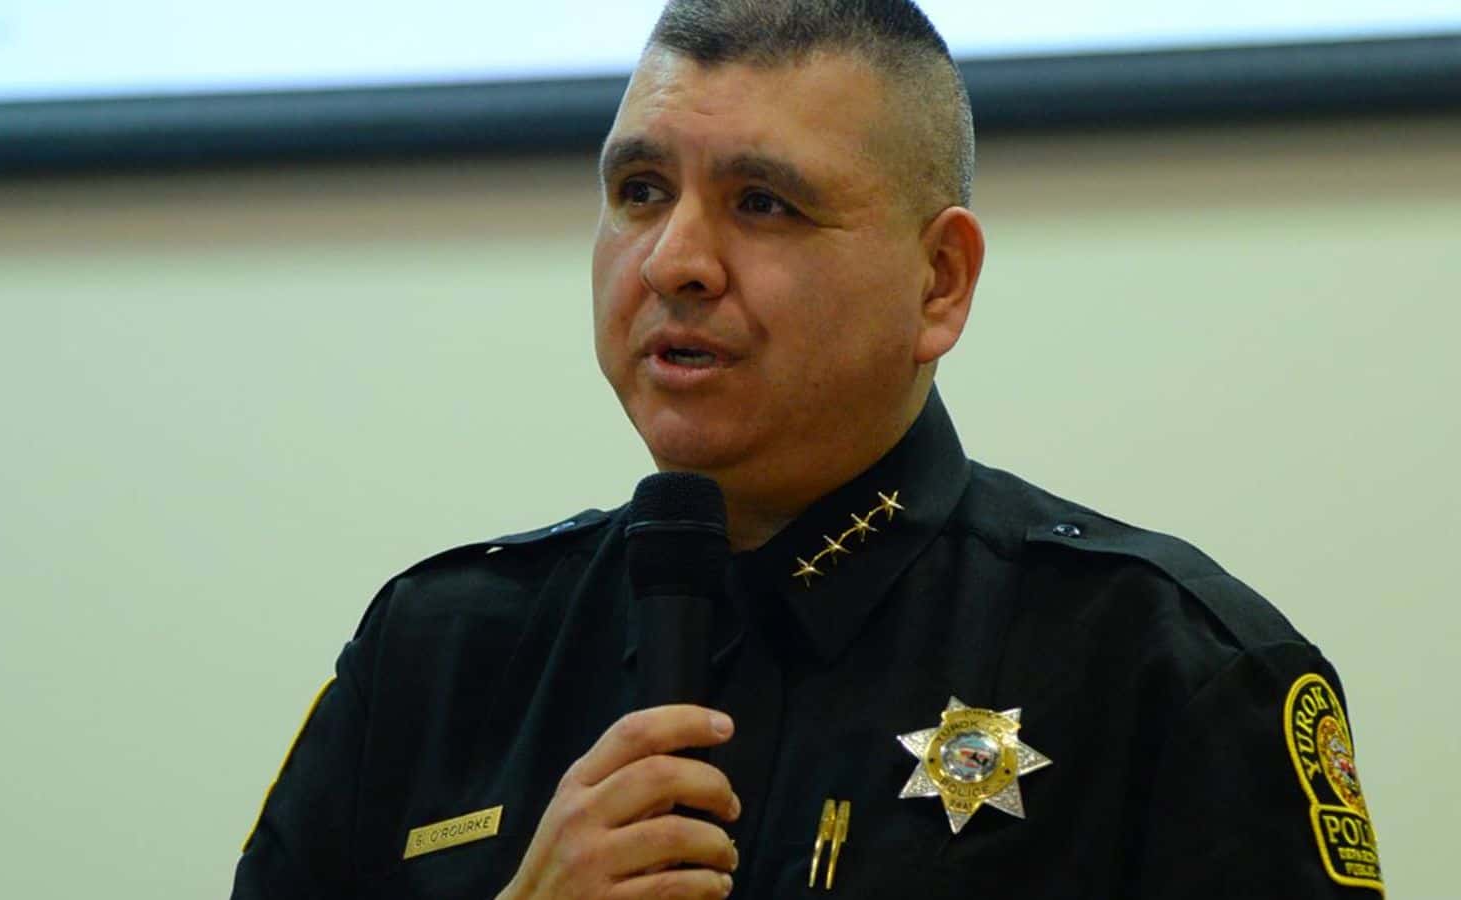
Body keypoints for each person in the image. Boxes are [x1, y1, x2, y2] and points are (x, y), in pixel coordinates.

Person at [232, 1, 1381, 897]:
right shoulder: (437, 654)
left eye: (764, 204)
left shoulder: (1158, 668)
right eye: (639, 190)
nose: (674, 260)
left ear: (939, 284)